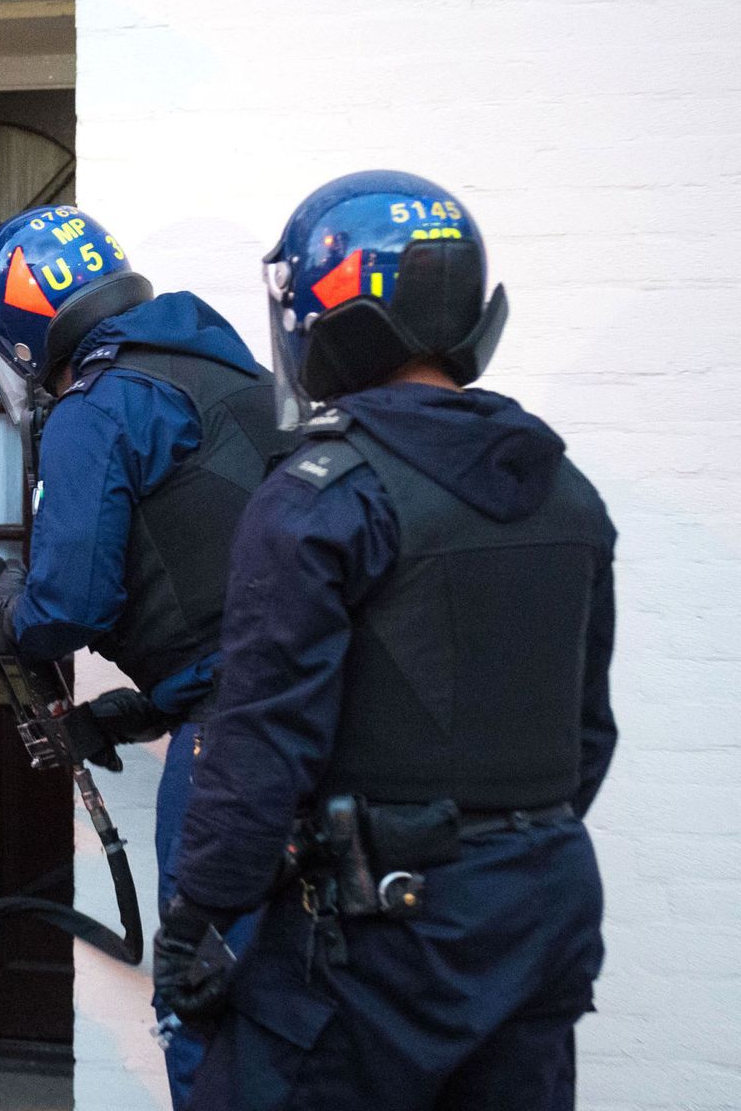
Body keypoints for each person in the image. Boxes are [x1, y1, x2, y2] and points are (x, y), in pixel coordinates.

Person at [157, 171, 615, 1110]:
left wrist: (199, 917)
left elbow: (259, 741)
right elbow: (587, 733)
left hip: (378, 936)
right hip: (542, 906)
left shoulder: (326, 496)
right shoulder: (565, 489)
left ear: (326, 317)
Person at [0, 204, 297, 1105]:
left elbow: (67, 603)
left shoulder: (96, 405)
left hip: (236, 748)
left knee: (203, 1004)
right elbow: (233, 580)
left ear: (24, 325)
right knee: (294, 1007)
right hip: (318, 717)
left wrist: (0, 617)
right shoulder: (219, 370)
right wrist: (144, 706)